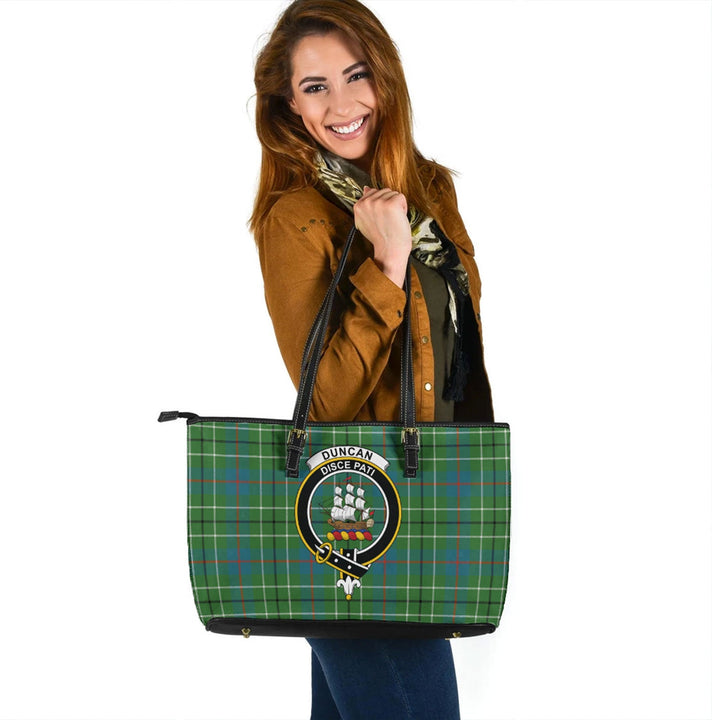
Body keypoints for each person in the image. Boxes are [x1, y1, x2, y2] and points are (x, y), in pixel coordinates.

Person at [250, 1, 494, 718]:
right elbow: (324, 398)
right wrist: (387, 261)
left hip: (425, 503)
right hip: (354, 521)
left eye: (357, 76)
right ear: (290, 106)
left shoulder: (431, 190)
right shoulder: (297, 217)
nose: (342, 104)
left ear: (385, 79)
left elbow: (455, 349)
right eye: (315, 86)